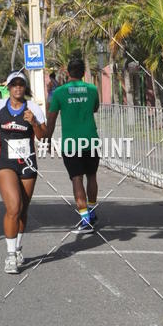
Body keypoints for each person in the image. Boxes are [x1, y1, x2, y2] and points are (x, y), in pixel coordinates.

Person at [0, 72, 47, 274]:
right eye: (14, 84)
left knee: (23, 210)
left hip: (27, 163)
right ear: (8, 87)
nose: (17, 88)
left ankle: (17, 248)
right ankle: (10, 256)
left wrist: (34, 123)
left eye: (21, 84)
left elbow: (43, 136)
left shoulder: (33, 107)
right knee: (13, 207)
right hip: (4, 162)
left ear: (25, 88)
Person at [46, 54, 100, 231]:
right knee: (92, 176)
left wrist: (47, 140)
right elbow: (95, 108)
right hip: (90, 140)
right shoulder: (92, 89)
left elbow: (51, 120)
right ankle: (92, 212)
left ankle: (85, 219)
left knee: (77, 179)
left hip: (71, 143)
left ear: (68, 73)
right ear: (83, 73)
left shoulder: (59, 92)